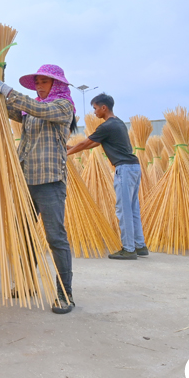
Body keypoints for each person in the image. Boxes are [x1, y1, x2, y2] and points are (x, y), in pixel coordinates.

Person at [0, 64, 78, 314]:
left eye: (44, 81)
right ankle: (26, 284)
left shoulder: (62, 106)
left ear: (57, 84)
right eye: (37, 82)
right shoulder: (31, 109)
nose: (39, 85)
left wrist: (5, 88)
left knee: (55, 237)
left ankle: (65, 293)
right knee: (23, 234)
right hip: (26, 179)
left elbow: (37, 108)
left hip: (50, 181)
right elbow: (6, 106)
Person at [66, 93, 148, 260]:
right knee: (133, 208)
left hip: (124, 169)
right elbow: (94, 143)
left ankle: (129, 249)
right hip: (134, 167)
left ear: (104, 108)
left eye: (95, 108)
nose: (94, 112)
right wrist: (71, 148)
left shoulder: (107, 126)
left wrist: (66, 153)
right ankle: (140, 245)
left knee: (123, 209)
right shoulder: (118, 123)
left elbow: (86, 142)